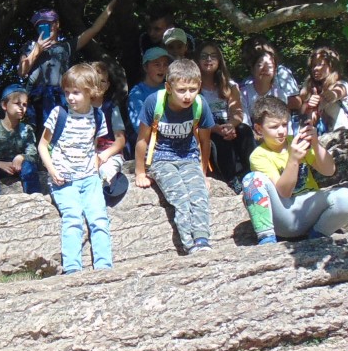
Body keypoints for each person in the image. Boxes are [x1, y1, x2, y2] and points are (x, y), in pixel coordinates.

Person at [241, 96, 348, 243]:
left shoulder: (296, 142)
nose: (281, 131)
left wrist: (315, 143)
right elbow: (284, 192)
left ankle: (317, 236)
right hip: (285, 216)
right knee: (252, 180)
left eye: (284, 124)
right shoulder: (259, 155)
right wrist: (293, 160)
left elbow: (329, 171)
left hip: (310, 210)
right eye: (274, 127)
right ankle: (266, 238)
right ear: (259, 129)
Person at [134, 57, 216, 251]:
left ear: (199, 87)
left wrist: (202, 173)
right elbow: (142, 139)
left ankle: (202, 240)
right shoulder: (154, 102)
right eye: (181, 90)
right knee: (180, 196)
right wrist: (140, 172)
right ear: (169, 88)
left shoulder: (200, 104)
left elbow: (205, 141)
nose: (187, 96)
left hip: (188, 156)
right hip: (160, 158)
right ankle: (189, 244)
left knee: (199, 195)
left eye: (193, 90)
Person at [39, 64, 113, 274]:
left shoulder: (98, 116)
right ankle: (72, 269)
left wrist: (96, 169)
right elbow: (43, 145)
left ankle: (104, 266)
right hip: (64, 179)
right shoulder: (59, 114)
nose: (70, 98)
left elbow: (94, 145)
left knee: (99, 219)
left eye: (76, 93)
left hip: (90, 179)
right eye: (67, 92)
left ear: (91, 92)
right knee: (72, 218)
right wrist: (53, 171)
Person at [19, 1, 115, 135]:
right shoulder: (30, 46)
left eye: (49, 23)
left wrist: (114, 2)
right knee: (34, 133)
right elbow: (22, 71)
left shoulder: (66, 47)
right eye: (40, 25)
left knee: (60, 132)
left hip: (61, 97)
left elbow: (93, 29)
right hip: (35, 98)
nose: (45, 27)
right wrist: (37, 50)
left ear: (57, 24)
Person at [197, 41, 255, 191]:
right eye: (204, 56)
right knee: (218, 140)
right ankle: (231, 180)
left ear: (219, 60)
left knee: (244, 130)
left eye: (213, 56)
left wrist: (230, 125)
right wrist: (215, 128)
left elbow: (237, 112)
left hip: (228, 124)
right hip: (206, 128)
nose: (208, 59)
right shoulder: (193, 86)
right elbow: (194, 118)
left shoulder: (229, 85)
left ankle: (252, 173)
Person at [0, 85, 39, 195]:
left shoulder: (26, 130)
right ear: (4, 105)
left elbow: (33, 154)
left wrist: (21, 157)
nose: (21, 108)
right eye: (17, 103)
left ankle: (34, 197)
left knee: (29, 167)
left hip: (18, 167)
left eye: (24, 104)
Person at [89, 61, 130, 205]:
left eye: (102, 81)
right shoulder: (80, 108)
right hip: (87, 153)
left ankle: (106, 196)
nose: (97, 85)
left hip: (109, 153)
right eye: (93, 81)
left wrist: (105, 155)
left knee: (106, 171)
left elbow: (120, 140)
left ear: (107, 85)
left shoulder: (111, 108)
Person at [301, 45, 348, 134]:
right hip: (335, 135)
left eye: (320, 64)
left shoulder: (341, 84)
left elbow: (338, 92)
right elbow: (312, 121)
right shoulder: (316, 90)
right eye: (313, 65)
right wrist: (310, 107)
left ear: (331, 66)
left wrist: (330, 95)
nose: (315, 68)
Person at [239, 42, 302, 121]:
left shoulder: (280, 94)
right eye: (260, 65)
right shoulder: (243, 92)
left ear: (275, 71)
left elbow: (285, 121)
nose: (265, 69)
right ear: (252, 68)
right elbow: (244, 122)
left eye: (269, 66)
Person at [128, 46, 170, 129]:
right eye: (157, 64)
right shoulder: (137, 93)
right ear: (145, 67)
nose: (162, 68)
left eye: (165, 64)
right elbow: (140, 126)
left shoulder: (169, 89)